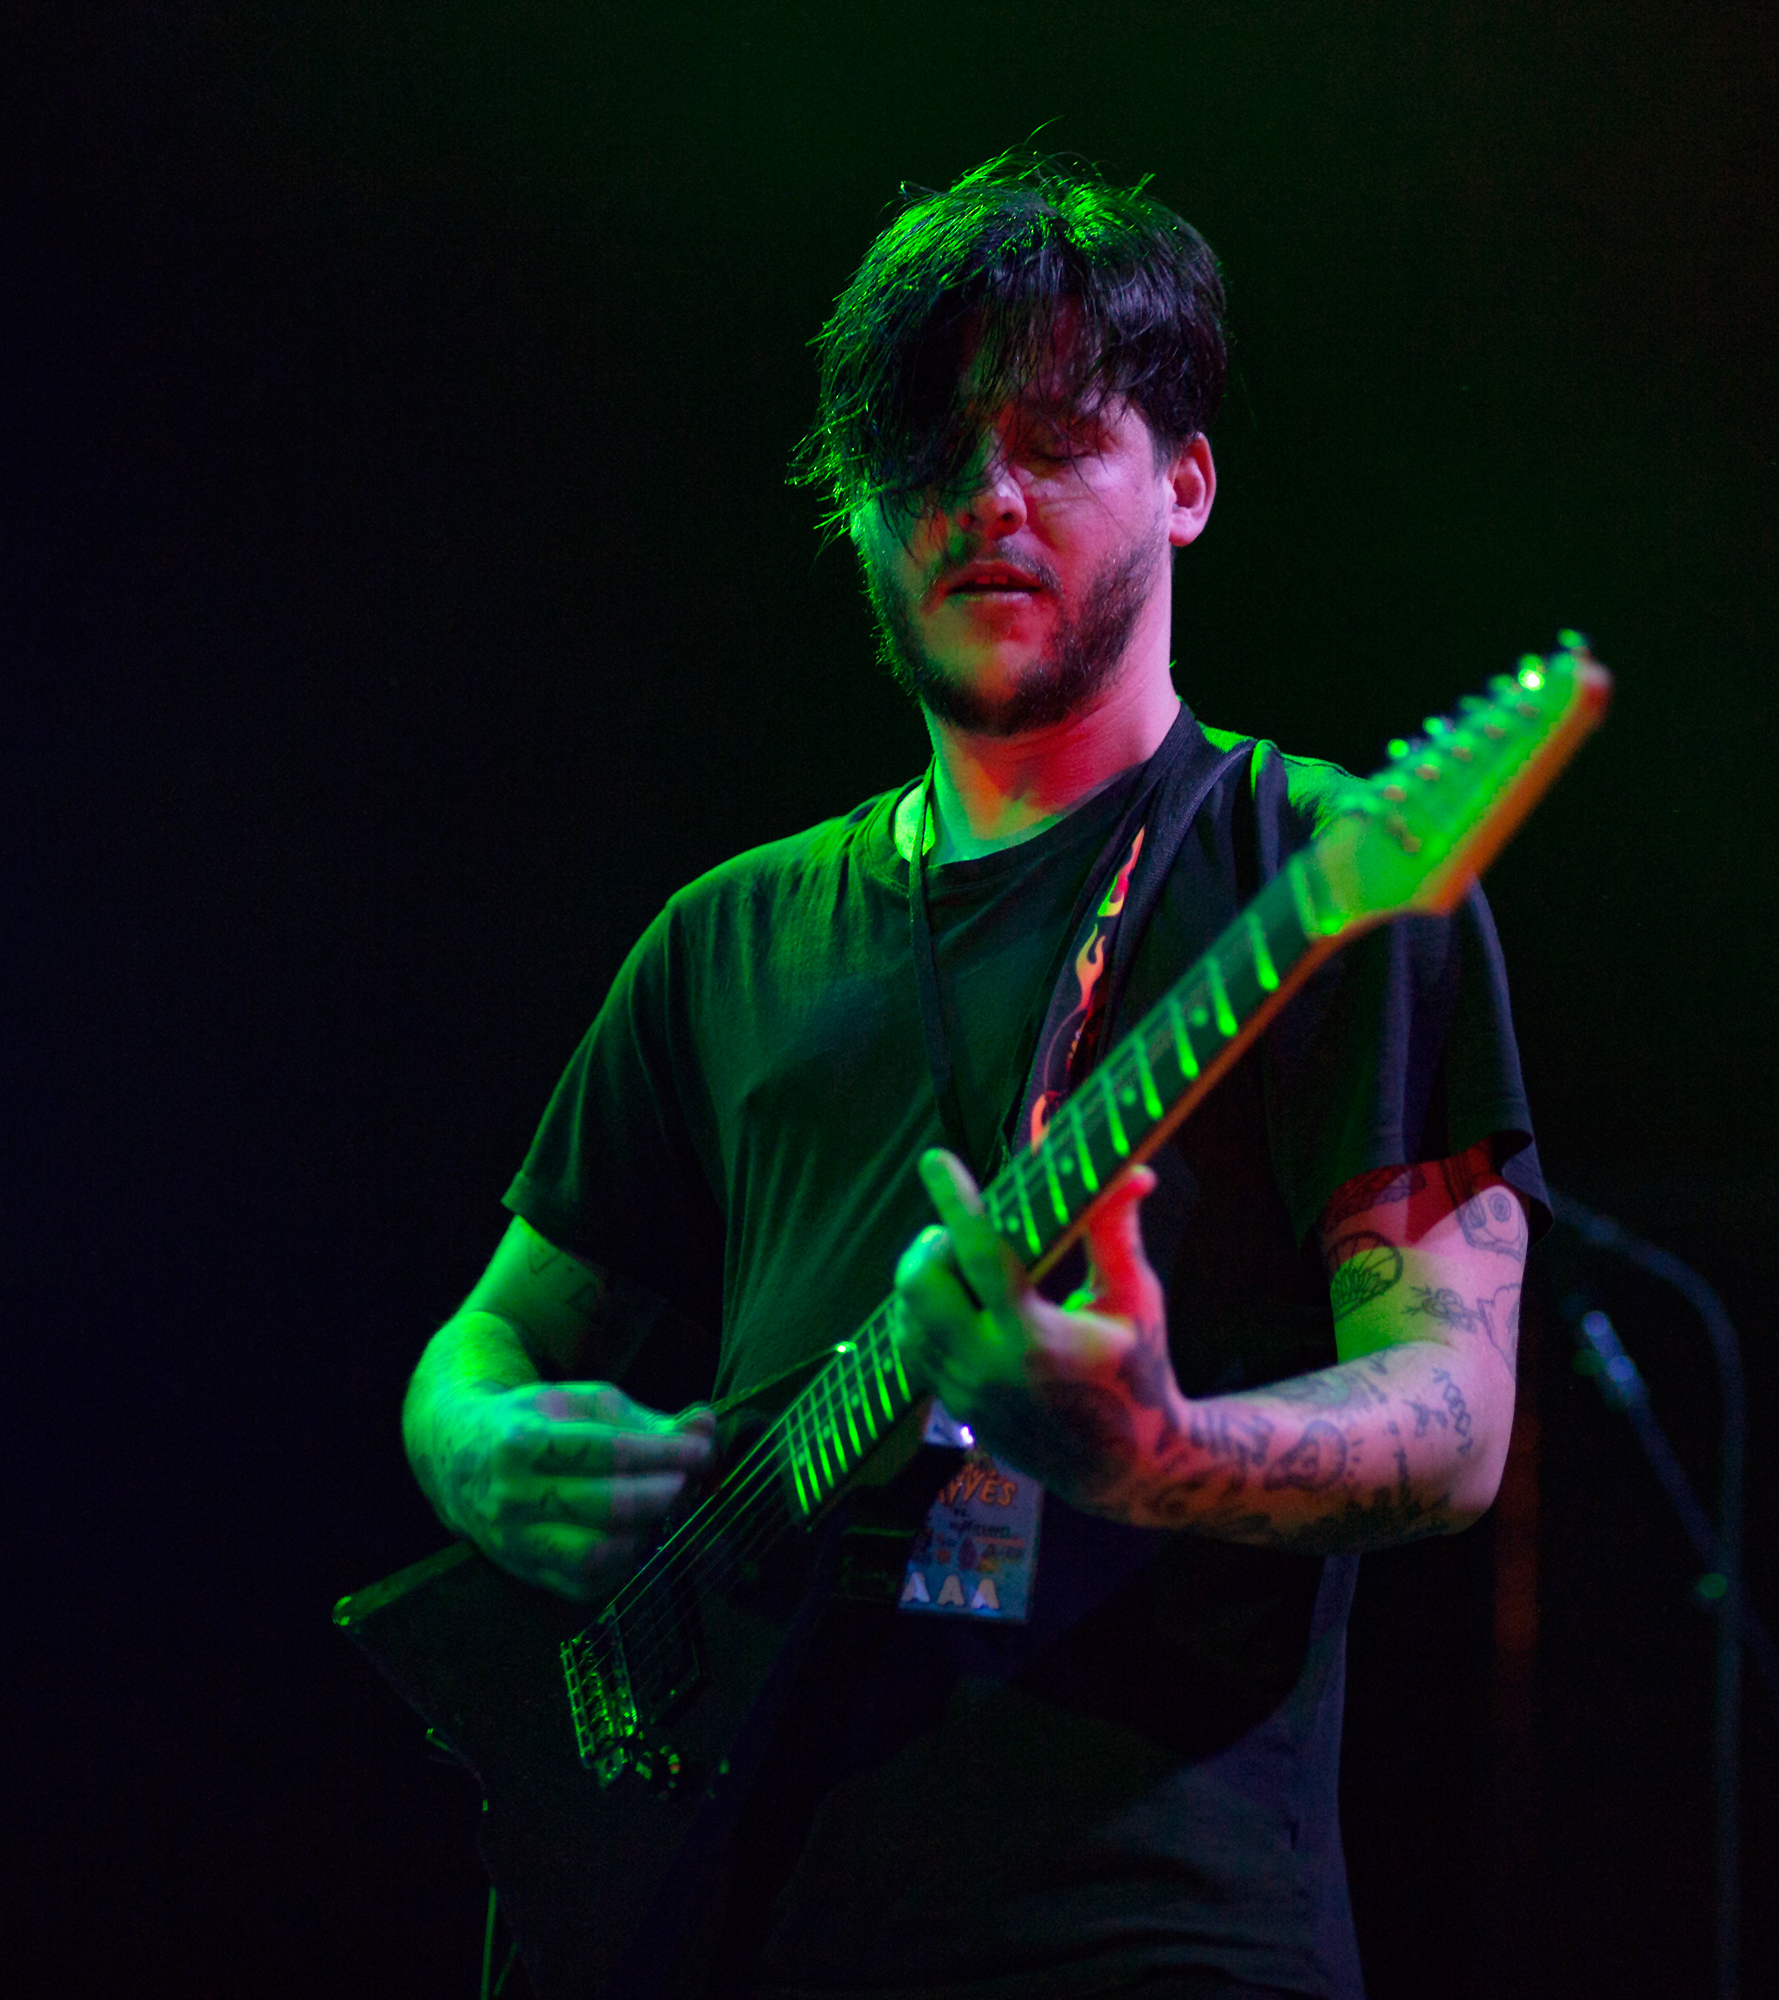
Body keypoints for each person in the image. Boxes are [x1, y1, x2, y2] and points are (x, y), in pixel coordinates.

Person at [397, 151, 1545, 2000]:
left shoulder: (1327, 875)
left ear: (1186, 484)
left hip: (1147, 1929)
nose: (986, 498)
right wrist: (478, 1451)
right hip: (725, 1913)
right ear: (856, 511)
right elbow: (484, 1345)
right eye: (927, 453)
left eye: (1057, 441)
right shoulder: (725, 936)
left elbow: (1458, 1415)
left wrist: (1160, 1452)